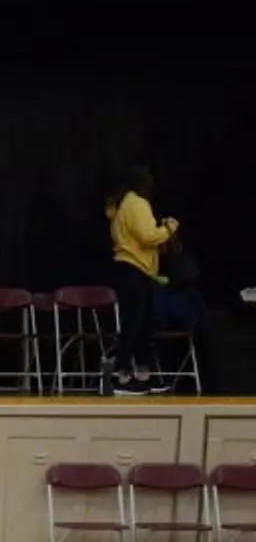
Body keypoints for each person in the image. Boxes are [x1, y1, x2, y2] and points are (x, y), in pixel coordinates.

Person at [106, 167, 179, 394]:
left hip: (137, 270)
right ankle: (122, 376)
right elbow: (147, 236)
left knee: (144, 324)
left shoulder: (122, 204)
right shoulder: (136, 203)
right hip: (133, 268)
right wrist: (169, 228)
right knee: (134, 323)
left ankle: (143, 375)